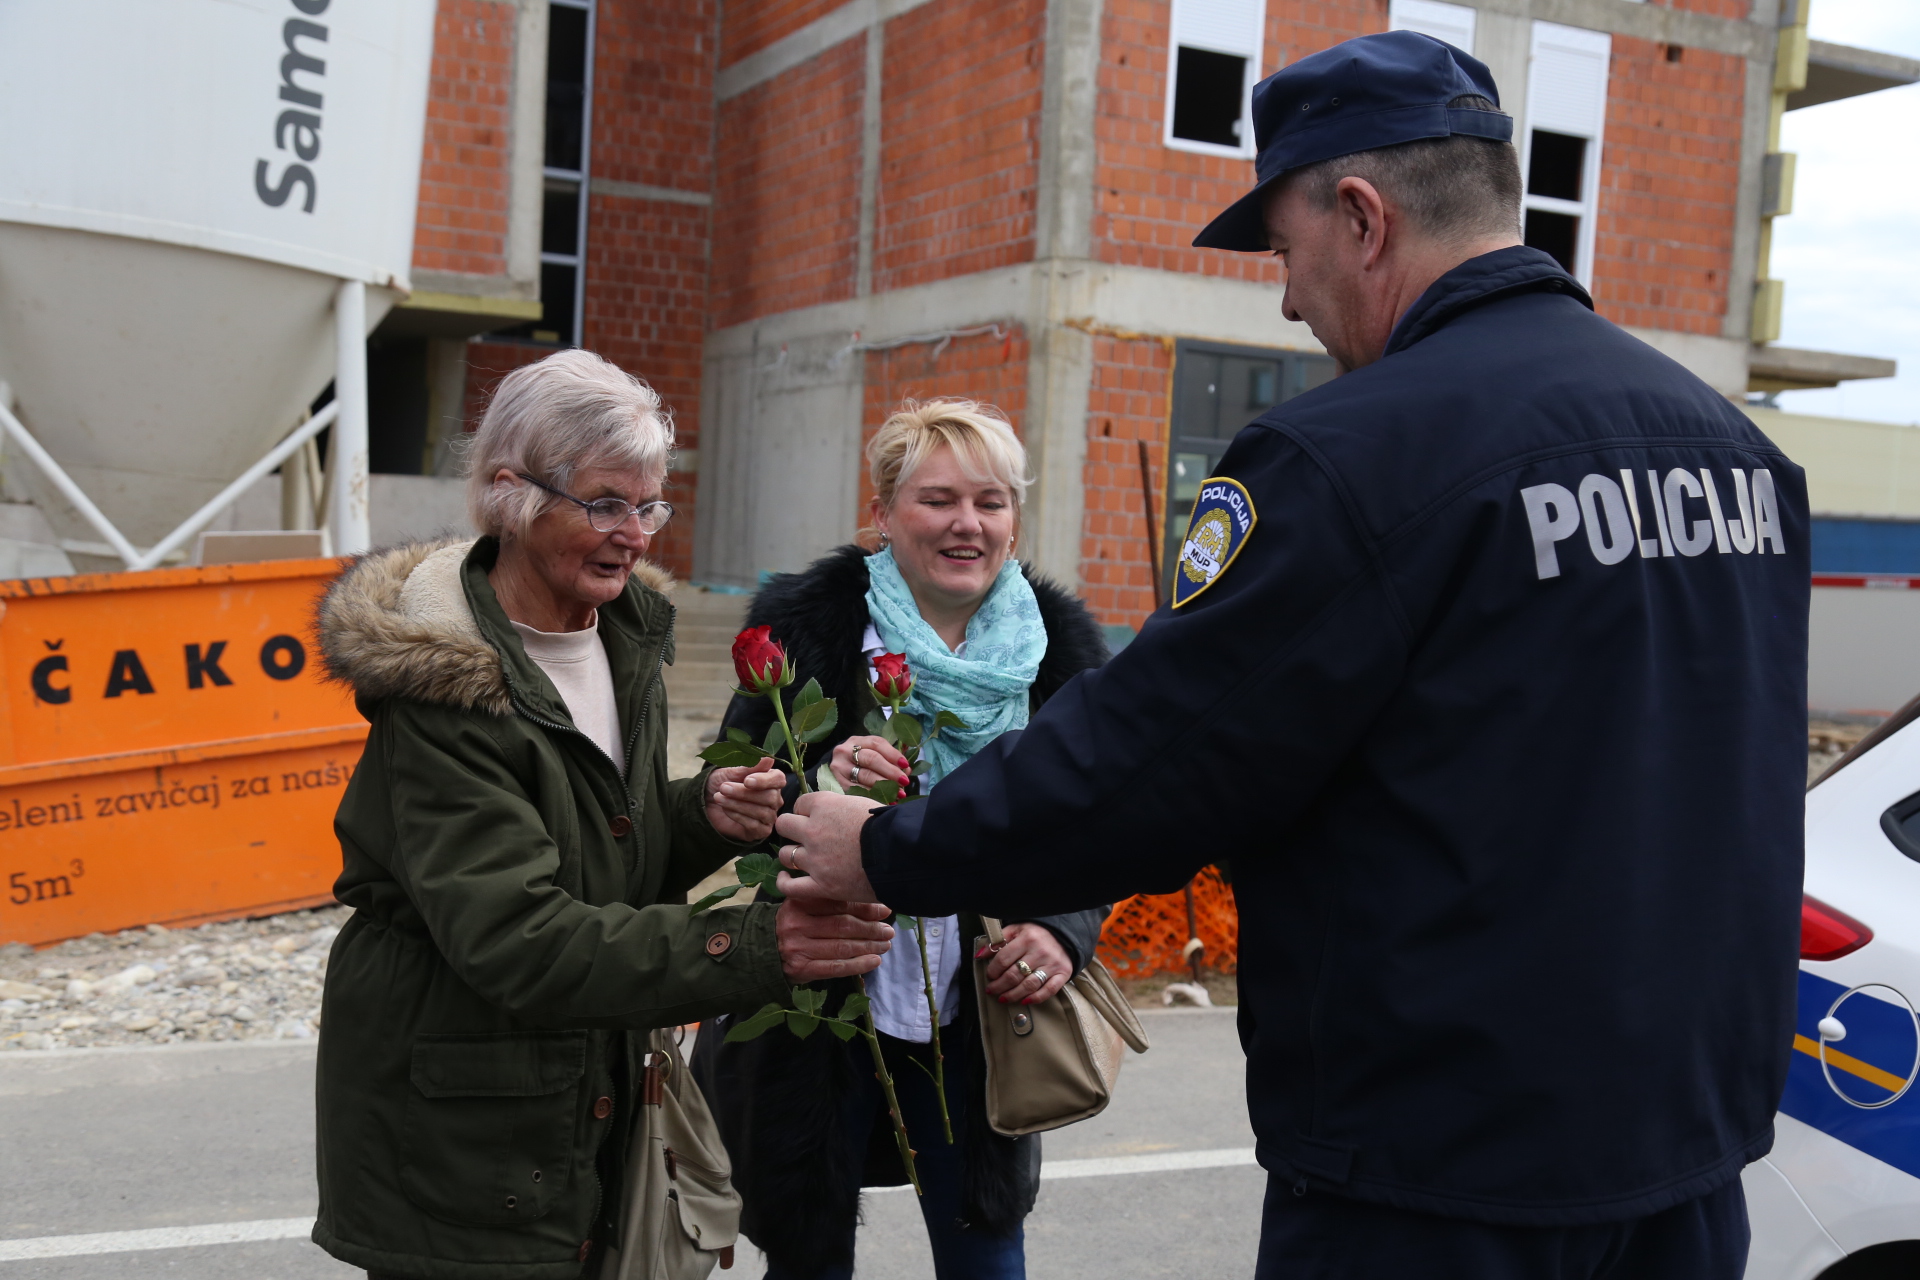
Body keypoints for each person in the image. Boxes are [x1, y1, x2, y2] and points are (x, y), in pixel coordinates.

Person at [771, 31, 1811, 1280]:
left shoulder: (1351, 457)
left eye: (1284, 246)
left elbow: (1155, 758)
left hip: (1443, 1168)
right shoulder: (1732, 452)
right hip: (1685, 1149)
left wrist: (885, 846)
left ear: (1361, 216)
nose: (1284, 296)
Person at [309, 348, 895, 1279]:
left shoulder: (617, 637)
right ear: (511, 492)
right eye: (606, 504)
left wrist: (702, 813)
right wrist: (752, 945)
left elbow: (595, 842)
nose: (635, 534)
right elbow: (519, 935)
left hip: (579, 1094)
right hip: (463, 1128)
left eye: (650, 504)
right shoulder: (446, 685)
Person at [692, 400, 1112, 1280]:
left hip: (976, 1002)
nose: (968, 524)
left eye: (990, 502)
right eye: (938, 499)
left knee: (987, 1253)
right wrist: (821, 780)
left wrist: (1060, 928)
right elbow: (740, 801)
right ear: (883, 512)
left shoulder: (1060, 652)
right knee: (809, 1254)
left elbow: (1100, 821)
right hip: (823, 998)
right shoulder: (807, 627)